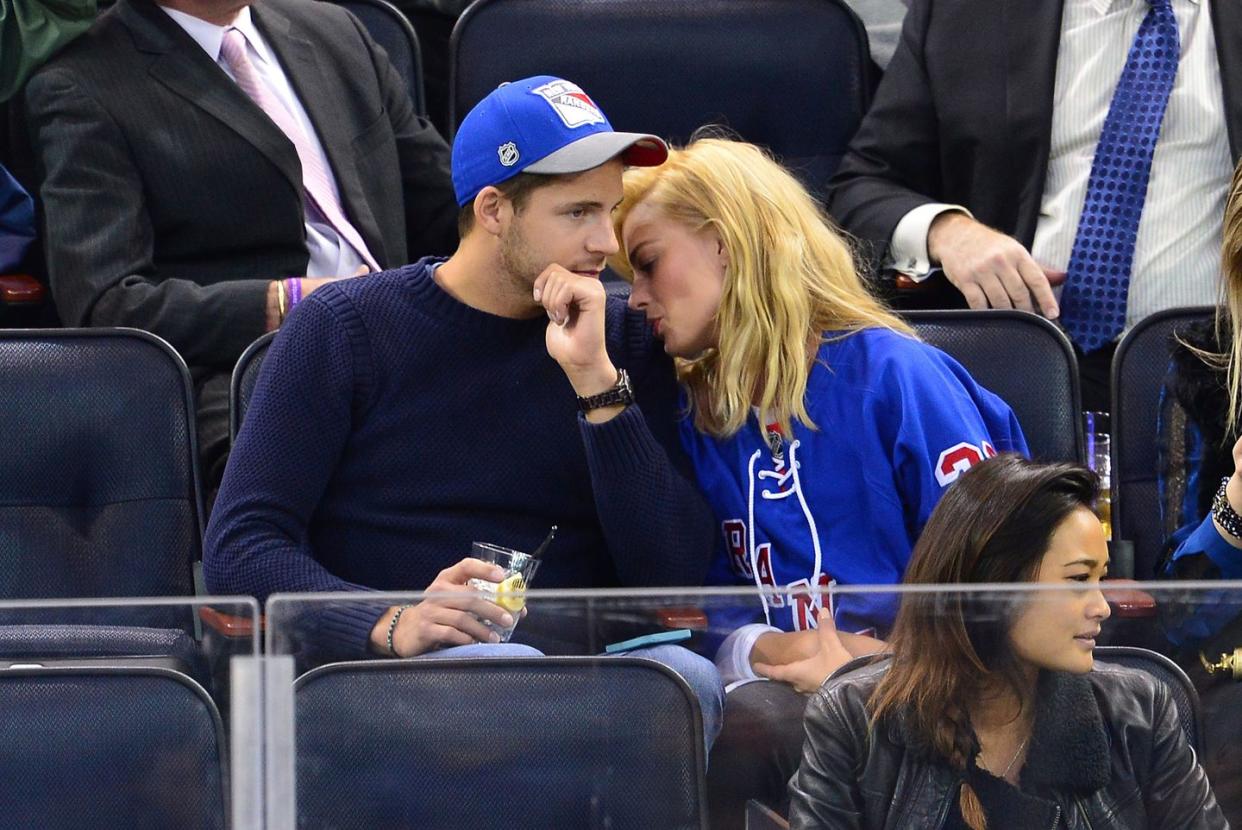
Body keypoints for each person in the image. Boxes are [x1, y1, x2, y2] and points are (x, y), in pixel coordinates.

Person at [204, 76, 722, 737]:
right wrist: (391, 621)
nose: (605, 245)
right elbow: (241, 548)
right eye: (577, 214)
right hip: (394, 682)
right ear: (493, 210)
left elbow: (671, 572)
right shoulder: (345, 327)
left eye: (609, 212)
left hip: (577, 667)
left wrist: (596, 381)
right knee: (496, 669)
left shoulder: (616, 340)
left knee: (686, 679)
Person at [609, 137, 1027, 828]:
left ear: (725, 244)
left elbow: (1010, 586)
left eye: (648, 264)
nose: (636, 299)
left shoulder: (898, 378)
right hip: (778, 704)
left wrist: (890, 661)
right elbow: (694, 601)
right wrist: (765, 647)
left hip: (940, 711)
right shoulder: (696, 413)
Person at [23, 0, 459, 492]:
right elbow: (107, 303)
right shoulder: (82, 84)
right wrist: (291, 303)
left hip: (408, 336)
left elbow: (451, 203)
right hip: (258, 369)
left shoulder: (335, 30)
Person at [828, 0, 1242, 411]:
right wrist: (948, 231)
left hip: (1219, 367)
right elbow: (861, 189)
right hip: (1027, 363)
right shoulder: (967, 13)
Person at [789, 454, 1227, 829]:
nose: (1102, 606)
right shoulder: (851, 719)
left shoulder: (1140, 711)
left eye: (1101, 579)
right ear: (993, 584)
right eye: (1077, 580)